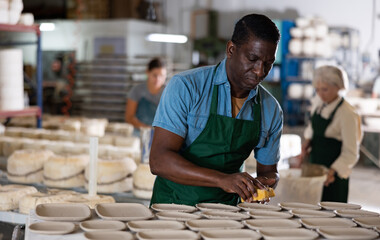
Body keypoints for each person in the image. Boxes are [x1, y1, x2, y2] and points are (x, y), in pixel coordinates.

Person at [149, 13, 283, 206]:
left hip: (226, 213)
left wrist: (263, 184)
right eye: (252, 59)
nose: (260, 71)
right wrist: (222, 179)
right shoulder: (187, 87)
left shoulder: (270, 109)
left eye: (268, 63)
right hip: (173, 206)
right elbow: (159, 161)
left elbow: (269, 171)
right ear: (231, 49)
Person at [298, 65, 362, 203]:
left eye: (325, 89)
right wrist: (307, 142)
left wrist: (332, 172)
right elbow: (312, 129)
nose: (320, 94)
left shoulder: (347, 113)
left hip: (334, 175)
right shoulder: (319, 103)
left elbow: (351, 153)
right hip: (314, 165)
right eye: (317, 90)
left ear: (339, 87)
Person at [125, 57, 167, 129]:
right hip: (139, 132)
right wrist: (147, 129)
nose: (158, 79)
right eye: (155, 75)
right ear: (147, 72)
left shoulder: (169, 93)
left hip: (161, 133)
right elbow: (129, 117)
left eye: (161, 76)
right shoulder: (137, 90)